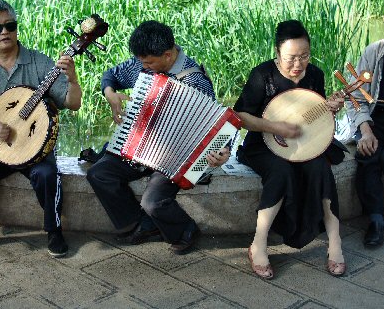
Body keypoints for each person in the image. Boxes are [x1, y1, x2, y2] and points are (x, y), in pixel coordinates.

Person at [0, 0, 82, 260]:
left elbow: (73, 104)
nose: (5, 32)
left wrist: (73, 79)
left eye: (10, 25)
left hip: (34, 144)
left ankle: (54, 230)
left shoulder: (38, 62)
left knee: (47, 174)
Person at [87, 20, 229, 254]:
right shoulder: (143, 62)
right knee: (99, 174)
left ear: (167, 54)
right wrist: (110, 93)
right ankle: (141, 224)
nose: (144, 66)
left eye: (149, 62)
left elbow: (217, 129)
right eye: (141, 61)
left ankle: (185, 230)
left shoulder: (195, 82)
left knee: (153, 202)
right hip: (140, 146)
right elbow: (110, 75)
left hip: (175, 158)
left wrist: (220, 153)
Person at [233, 20, 346, 279]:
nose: (298, 65)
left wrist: (330, 109)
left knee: (321, 168)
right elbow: (240, 116)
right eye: (290, 58)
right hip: (263, 144)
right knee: (281, 170)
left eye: (304, 56)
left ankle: (335, 243)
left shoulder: (315, 74)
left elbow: (314, 117)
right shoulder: (262, 75)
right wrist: (274, 126)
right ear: (277, 53)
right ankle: (258, 245)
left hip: (304, 142)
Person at [346, 39, 384, 247]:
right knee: (368, 154)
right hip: (375, 119)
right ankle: (376, 220)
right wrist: (366, 131)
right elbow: (355, 97)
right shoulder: (374, 53)